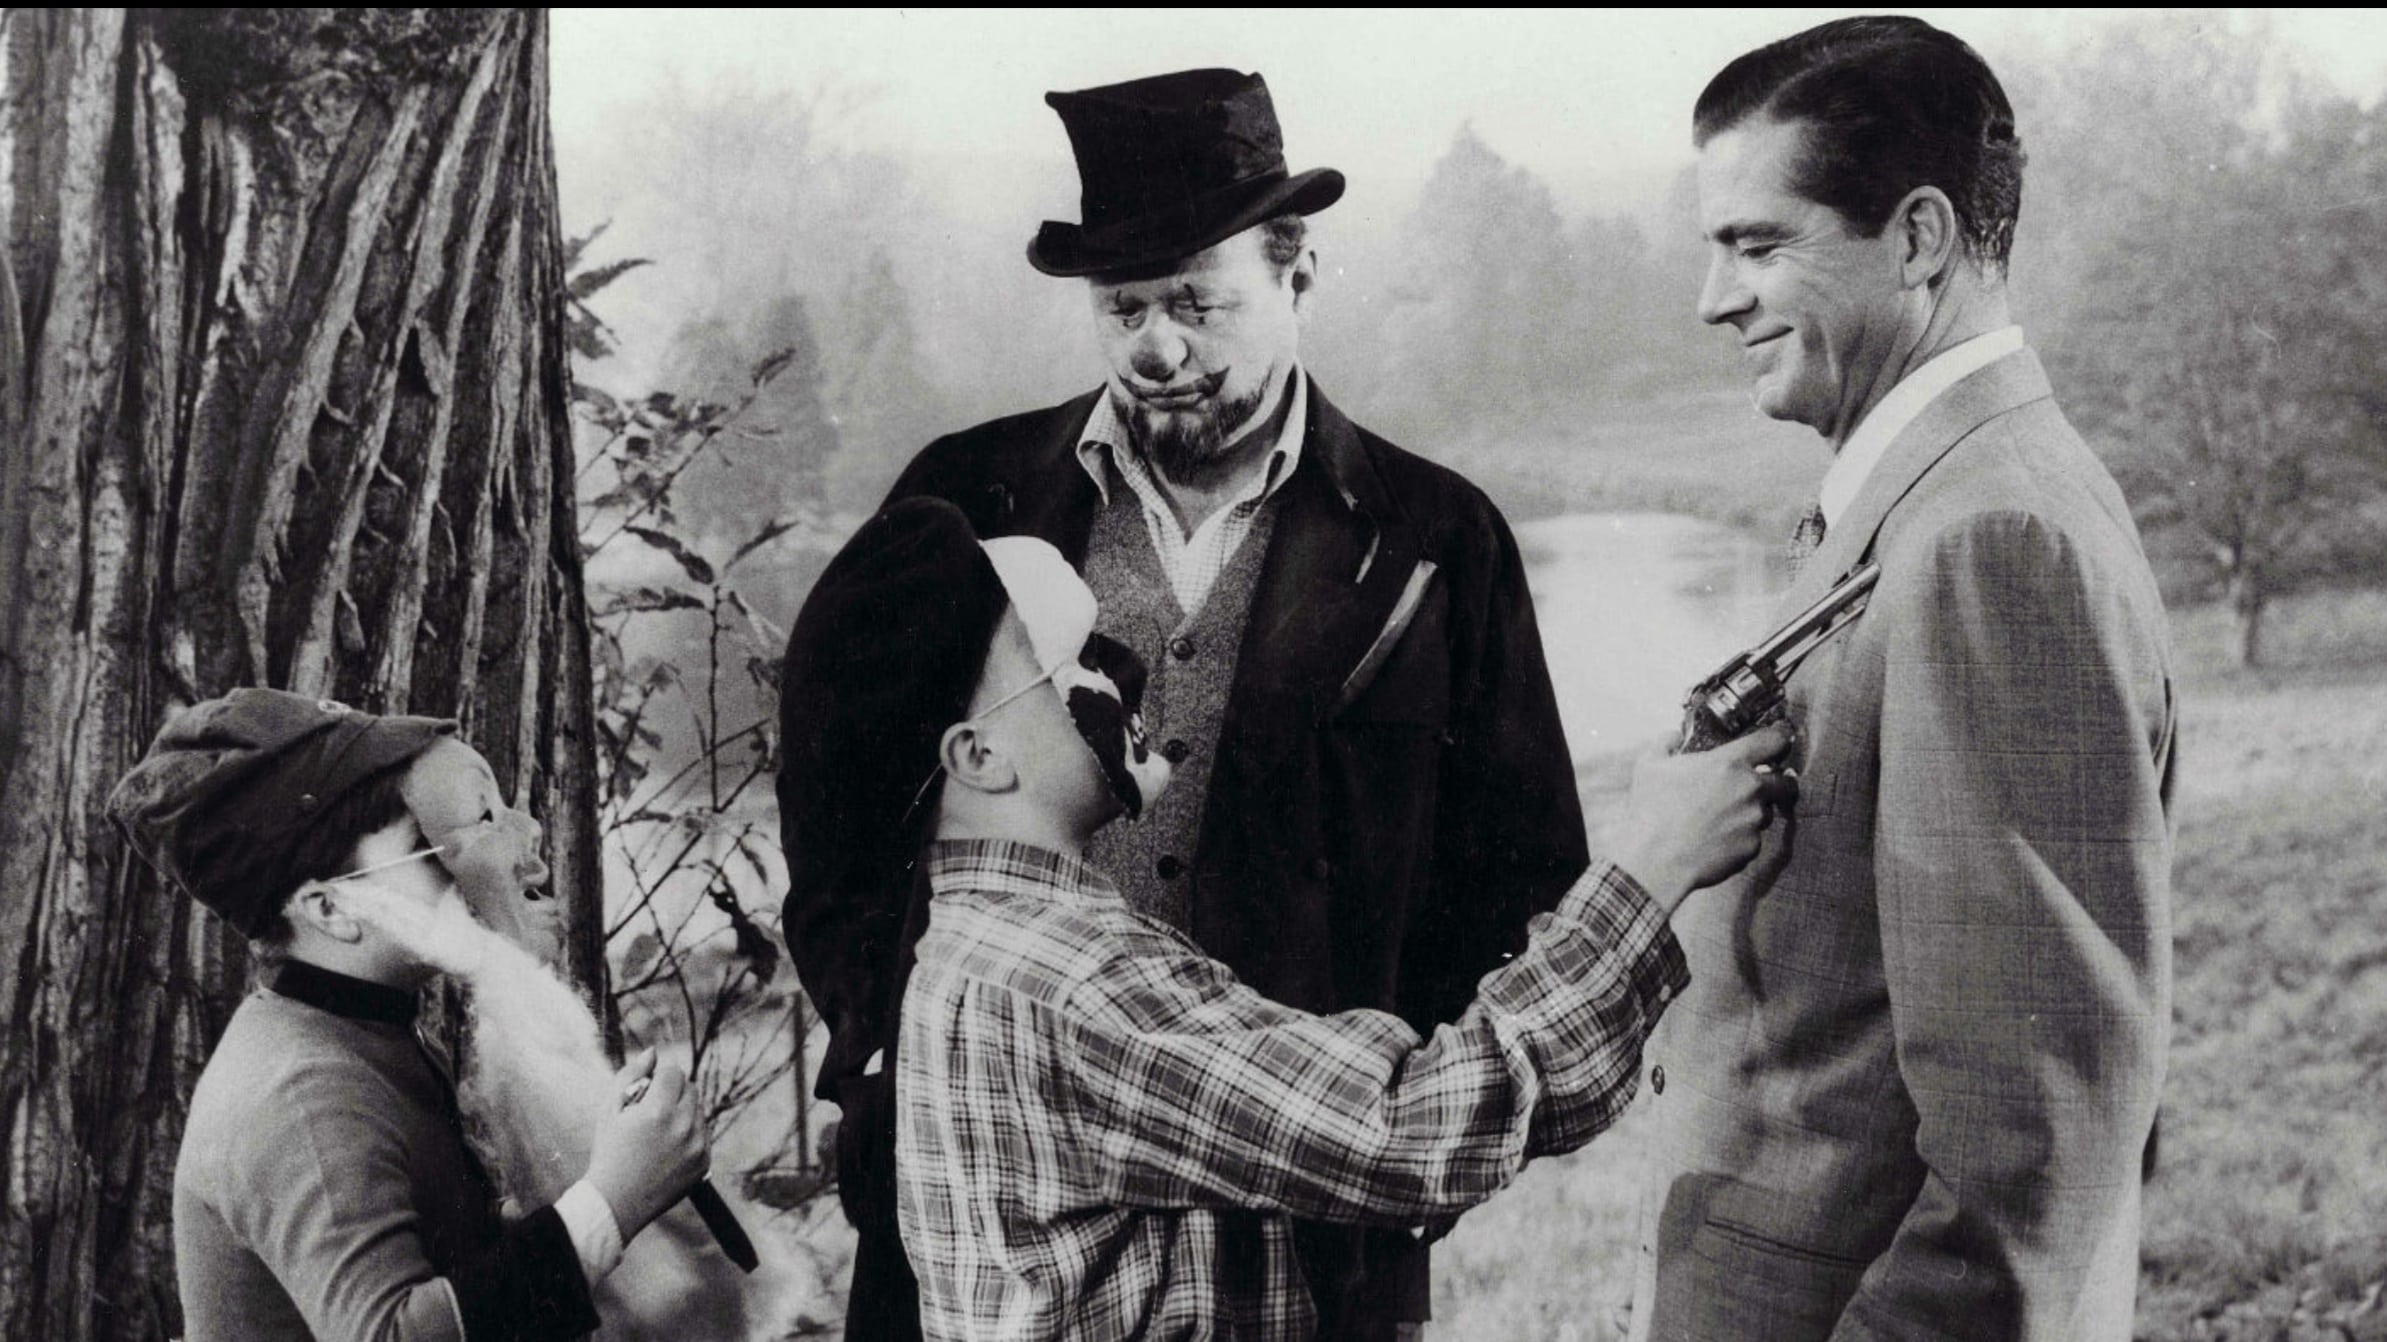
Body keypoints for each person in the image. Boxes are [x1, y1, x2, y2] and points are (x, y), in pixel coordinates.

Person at [783, 67, 1589, 1341]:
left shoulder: (1437, 538)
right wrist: (884, 1053)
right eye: (1122, 308)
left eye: (1196, 303)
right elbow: (837, 792)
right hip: (1007, 1236)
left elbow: (1518, 877)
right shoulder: (970, 497)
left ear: (1296, 272)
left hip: (1313, 1237)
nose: (1154, 348)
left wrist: (1386, 1160)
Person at [777, 497, 1795, 1340]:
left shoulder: (967, 949)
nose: (1115, 673)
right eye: (1065, 664)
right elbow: (1412, 1128)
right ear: (978, 759)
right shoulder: (1065, 975)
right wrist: (1652, 866)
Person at [1624, 17, 2179, 1340]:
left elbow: (2028, 1142)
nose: (1711, 299)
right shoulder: (1936, 495)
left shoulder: (1991, 537)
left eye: (1756, 245)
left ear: (1917, 238)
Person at [107, 689, 712, 1341]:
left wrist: (575, 1202)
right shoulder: (304, 1096)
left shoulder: (362, 1028)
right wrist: (610, 1203)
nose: (520, 841)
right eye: (459, 829)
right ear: (331, 910)